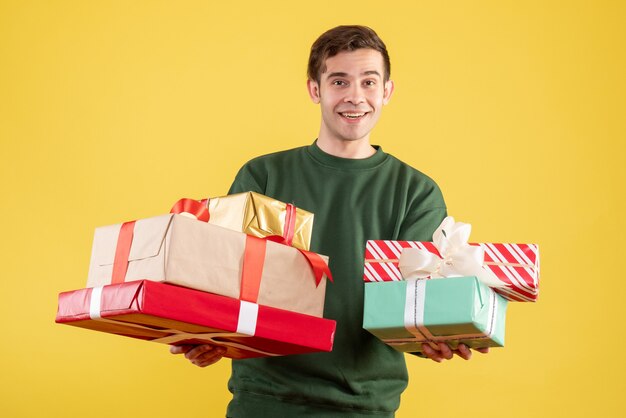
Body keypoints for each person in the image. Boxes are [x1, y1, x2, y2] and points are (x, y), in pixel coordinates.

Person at [171, 25, 488, 417]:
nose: (355, 96)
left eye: (368, 82)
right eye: (339, 81)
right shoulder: (263, 176)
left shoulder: (416, 192)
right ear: (315, 89)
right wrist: (205, 335)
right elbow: (223, 282)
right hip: (265, 401)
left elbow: (414, 302)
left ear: (387, 91)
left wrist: (436, 336)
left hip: (364, 405)